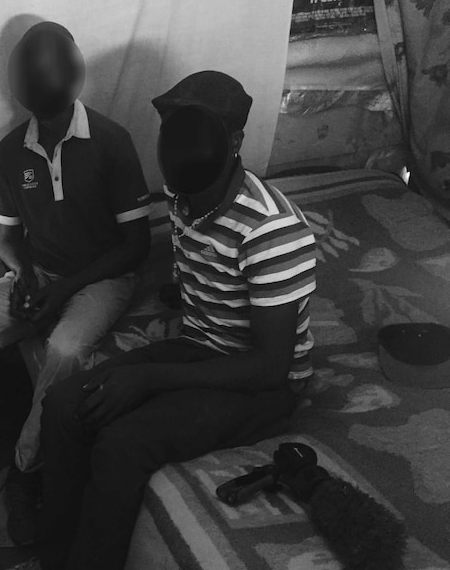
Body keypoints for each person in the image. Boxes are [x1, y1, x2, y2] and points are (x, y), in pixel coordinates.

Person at [36, 71, 318, 570]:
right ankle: (54, 554)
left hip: (262, 386)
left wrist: (148, 377)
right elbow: (200, 258)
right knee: (64, 403)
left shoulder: (272, 230)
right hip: (201, 344)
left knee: (122, 445)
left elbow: (270, 368)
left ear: (232, 143)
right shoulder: (183, 185)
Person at [0, 22, 151, 542]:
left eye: (51, 67)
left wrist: (63, 290)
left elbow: (136, 247)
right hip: (40, 272)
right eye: (29, 72)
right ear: (17, 86)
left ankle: (25, 469)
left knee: (64, 349)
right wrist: (21, 275)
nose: (41, 80)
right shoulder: (11, 149)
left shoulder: (111, 141)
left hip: (101, 277)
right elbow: (6, 237)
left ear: (74, 72)